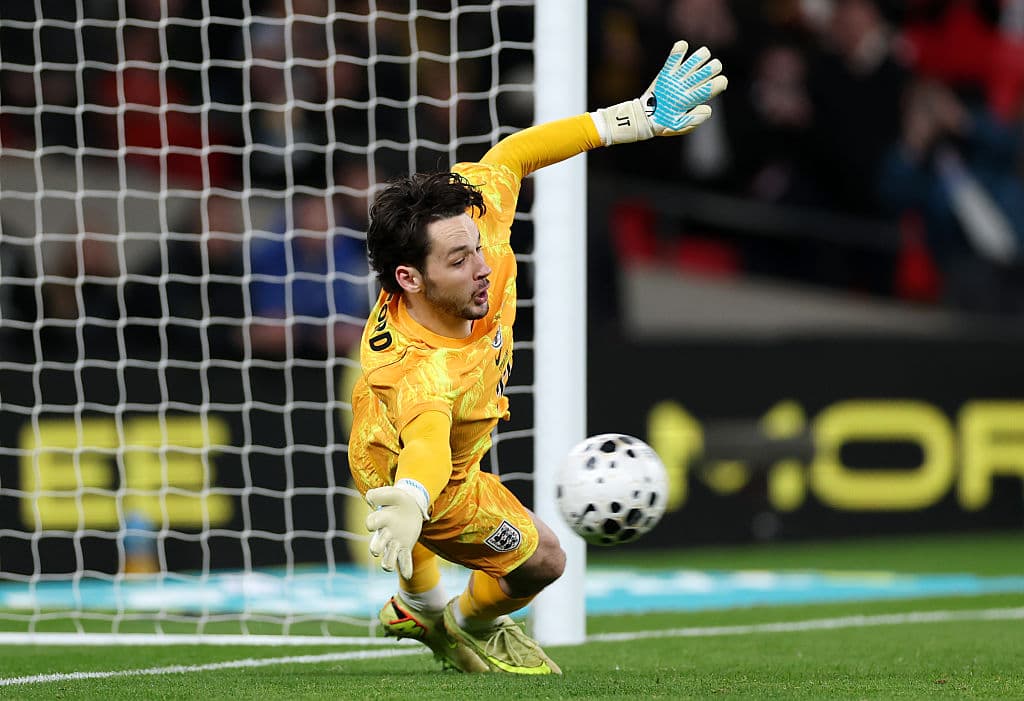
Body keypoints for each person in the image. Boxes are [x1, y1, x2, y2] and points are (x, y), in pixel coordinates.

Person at [348, 40, 727, 675]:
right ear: (409, 280)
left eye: (477, 246)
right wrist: (412, 496)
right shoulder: (418, 369)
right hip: (425, 481)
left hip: (421, 447)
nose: (484, 266)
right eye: (460, 260)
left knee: (441, 595)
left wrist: (632, 118)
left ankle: (442, 617)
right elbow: (428, 440)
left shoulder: (468, 219)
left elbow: (512, 155)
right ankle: (440, 612)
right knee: (546, 560)